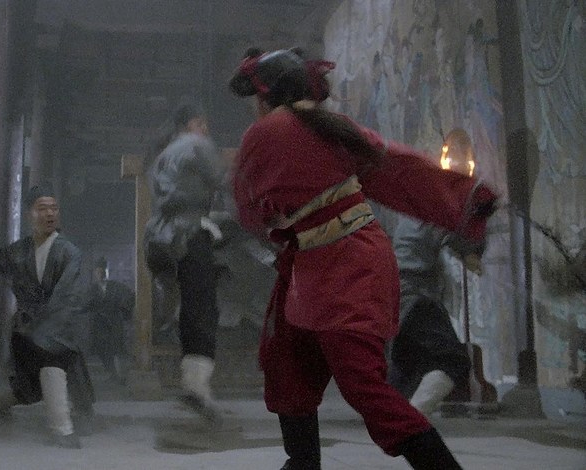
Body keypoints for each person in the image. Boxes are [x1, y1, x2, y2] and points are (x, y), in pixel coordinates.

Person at [228, 48, 497, 469]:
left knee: (363, 387)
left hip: (345, 266)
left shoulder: (265, 134)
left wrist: (273, 224)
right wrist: (467, 199)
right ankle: (302, 465)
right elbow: (401, 169)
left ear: (266, 97)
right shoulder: (330, 126)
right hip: (334, 260)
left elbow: (249, 211)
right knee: (289, 360)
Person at [0, 183, 95, 449]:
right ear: (29, 214)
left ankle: (61, 427)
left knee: (52, 365)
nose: (49, 214)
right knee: (30, 388)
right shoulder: (19, 250)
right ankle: (58, 427)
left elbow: (68, 296)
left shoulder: (69, 252)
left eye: (54, 208)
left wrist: (47, 330)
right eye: (42, 208)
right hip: (25, 329)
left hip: (56, 326)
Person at [143, 103, 227, 425]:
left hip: (160, 239)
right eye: (201, 122)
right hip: (189, 234)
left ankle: (193, 380)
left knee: (188, 306)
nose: (205, 129)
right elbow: (222, 178)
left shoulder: (161, 155)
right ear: (189, 124)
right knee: (203, 307)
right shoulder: (194, 145)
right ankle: (195, 384)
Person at [387, 130, 480, 416]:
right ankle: (411, 420)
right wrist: (472, 252)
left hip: (402, 295)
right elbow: (463, 248)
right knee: (453, 360)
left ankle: (395, 420)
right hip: (414, 296)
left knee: (409, 367)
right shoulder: (435, 203)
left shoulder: (417, 201)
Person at [82, 256, 135, 384]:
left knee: (117, 349)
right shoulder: (91, 289)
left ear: (105, 272)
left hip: (114, 323)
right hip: (99, 325)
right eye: (97, 272)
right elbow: (84, 306)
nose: (100, 274)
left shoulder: (116, 286)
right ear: (94, 273)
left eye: (102, 271)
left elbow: (131, 296)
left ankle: (121, 376)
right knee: (102, 350)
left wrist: (124, 312)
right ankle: (112, 373)